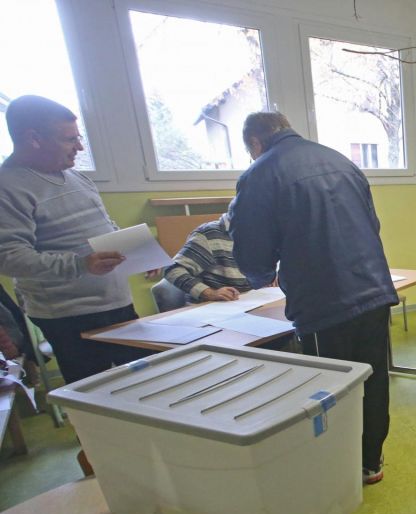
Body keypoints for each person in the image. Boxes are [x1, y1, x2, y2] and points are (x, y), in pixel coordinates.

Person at [229, 111, 398, 485]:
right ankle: (371, 460)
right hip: (373, 289)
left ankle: (337, 467)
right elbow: (372, 225)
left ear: (255, 143)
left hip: (325, 301)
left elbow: (253, 254)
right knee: (372, 378)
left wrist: (260, 276)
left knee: (332, 384)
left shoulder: (260, 175)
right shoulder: (341, 160)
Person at [0, 95, 147, 385]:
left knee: (145, 381)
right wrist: (80, 265)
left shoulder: (77, 178)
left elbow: (103, 228)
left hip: (117, 304)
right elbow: (9, 256)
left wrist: (138, 254)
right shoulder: (8, 187)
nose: (79, 147)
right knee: (98, 397)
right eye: (69, 140)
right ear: (34, 139)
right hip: (69, 316)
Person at [164, 201, 253, 303]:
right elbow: (172, 269)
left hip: (250, 301)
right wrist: (209, 293)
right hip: (215, 306)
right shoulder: (208, 234)